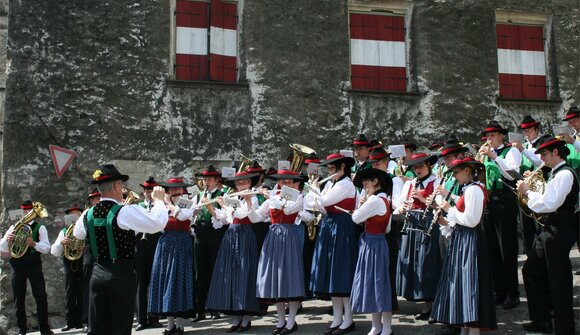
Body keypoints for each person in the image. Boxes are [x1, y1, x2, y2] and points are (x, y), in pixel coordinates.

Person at [72, 164, 168, 335]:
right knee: (120, 327)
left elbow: (78, 235)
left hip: (97, 274)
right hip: (121, 275)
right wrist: (159, 201)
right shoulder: (125, 212)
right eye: (121, 184)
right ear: (116, 186)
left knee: (98, 328)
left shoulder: (87, 214)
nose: (123, 188)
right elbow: (157, 223)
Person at [516, 137, 579, 334]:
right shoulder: (554, 173)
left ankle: (564, 328)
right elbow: (547, 196)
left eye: (544, 154)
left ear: (555, 153)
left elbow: (550, 203)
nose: (542, 158)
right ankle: (541, 320)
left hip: (560, 229)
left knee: (559, 279)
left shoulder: (565, 174)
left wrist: (528, 192)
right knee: (532, 271)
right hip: (548, 228)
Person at [430, 157, 497, 335]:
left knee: (470, 287)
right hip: (463, 240)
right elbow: (463, 210)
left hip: (471, 242)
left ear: (467, 170)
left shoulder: (475, 189)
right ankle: (464, 330)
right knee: (463, 286)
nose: (455, 176)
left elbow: (471, 220)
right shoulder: (469, 189)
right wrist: (446, 220)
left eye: (457, 172)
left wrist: (447, 208)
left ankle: (472, 331)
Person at [250, 169, 306, 335]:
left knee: (290, 278)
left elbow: (288, 210)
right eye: (283, 181)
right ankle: (281, 320)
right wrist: (248, 202)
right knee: (277, 281)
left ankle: (291, 321)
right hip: (273, 238)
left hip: (289, 236)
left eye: (290, 181)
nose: (286, 184)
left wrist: (271, 197)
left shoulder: (298, 196)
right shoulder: (274, 196)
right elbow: (256, 218)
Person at [206, 171, 263, 332]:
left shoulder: (253, 198)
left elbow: (246, 215)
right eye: (238, 184)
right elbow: (224, 219)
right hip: (231, 236)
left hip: (245, 236)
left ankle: (246, 318)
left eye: (244, 183)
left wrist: (225, 205)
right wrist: (212, 208)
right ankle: (236, 317)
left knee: (244, 273)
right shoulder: (234, 198)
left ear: (250, 184)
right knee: (231, 274)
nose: (241, 186)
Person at [310, 153, 358, 335]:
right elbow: (320, 206)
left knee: (341, 271)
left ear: (342, 167)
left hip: (342, 226)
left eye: (332, 168)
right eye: (328, 169)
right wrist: (315, 194)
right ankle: (337, 318)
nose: (329, 172)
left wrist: (314, 189)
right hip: (330, 225)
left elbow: (325, 201)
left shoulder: (346, 184)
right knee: (331, 272)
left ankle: (349, 319)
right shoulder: (331, 183)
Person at [478, 120, 522, 309]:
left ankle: (513, 293)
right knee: (493, 250)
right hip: (489, 204)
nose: (490, 139)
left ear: (501, 136)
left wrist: (494, 156)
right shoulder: (487, 155)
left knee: (508, 249)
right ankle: (499, 290)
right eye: (488, 137)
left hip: (505, 203)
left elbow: (512, 174)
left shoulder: (510, 152)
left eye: (493, 136)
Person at [395, 153, 442, 320]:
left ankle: (435, 305)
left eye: (420, 166)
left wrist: (422, 198)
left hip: (428, 223)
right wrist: (402, 207)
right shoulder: (411, 183)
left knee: (428, 263)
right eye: (415, 167)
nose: (418, 170)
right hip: (412, 222)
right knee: (415, 264)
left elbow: (439, 205)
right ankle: (426, 305)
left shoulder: (436, 181)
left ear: (428, 165)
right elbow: (400, 202)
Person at [148, 177, 195, 335]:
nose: (175, 191)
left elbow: (182, 216)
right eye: (172, 189)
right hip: (166, 244)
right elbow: (155, 223)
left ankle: (180, 324)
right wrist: (160, 204)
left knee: (179, 280)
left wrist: (168, 203)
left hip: (182, 242)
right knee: (165, 279)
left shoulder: (188, 202)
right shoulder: (161, 205)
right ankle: (170, 324)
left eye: (178, 189)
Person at [350, 168, 394, 335]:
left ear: (376, 182)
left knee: (378, 284)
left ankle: (383, 327)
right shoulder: (385, 200)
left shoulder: (374, 200)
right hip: (379, 242)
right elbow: (388, 228)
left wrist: (363, 204)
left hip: (372, 244)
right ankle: (378, 326)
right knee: (378, 284)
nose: (364, 187)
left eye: (366, 183)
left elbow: (355, 218)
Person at [0, 200, 53, 335]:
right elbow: (2, 248)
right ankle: (21, 329)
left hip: (33, 263)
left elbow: (46, 248)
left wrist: (33, 243)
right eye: (24, 211)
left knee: (40, 295)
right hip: (17, 265)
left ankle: (44, 328)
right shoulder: (14, 227)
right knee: (19, 297)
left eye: (29, 211)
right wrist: (8, 240)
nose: (26, 214)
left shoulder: (39, 228)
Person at [191, 166, 226, 322]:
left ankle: (214, 308)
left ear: (216, 181)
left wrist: (210, 207)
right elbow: (190, 215)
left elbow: (223, 219)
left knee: (213, 271)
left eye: (209, 180)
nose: (206, 183)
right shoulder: (197, 196)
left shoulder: (221, 196)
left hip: (215, 236)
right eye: (204, 180)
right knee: (200, 274)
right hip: (200, 236)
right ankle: (199, 310)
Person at [133, 176, 163, 331]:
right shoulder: (137, 206)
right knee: (141, 283)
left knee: (155, 282)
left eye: (151, 190)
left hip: (156, 244)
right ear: (143, 192)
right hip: (140, 246)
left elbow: (163, 225)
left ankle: (154, 317)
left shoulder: (161, 206)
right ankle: (141, 319)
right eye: (146, 190)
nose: (149, 193)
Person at [51, 204, 85, 332]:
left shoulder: (84, 231)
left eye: (76, 214)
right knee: (70, 292)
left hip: (82, 263)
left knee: (83, 291)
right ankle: (69, 321)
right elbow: (54, 252)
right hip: (69, 265)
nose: (74, 217)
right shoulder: (64, 232)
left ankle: (83, 320)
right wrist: (61, 242)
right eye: (71, 214)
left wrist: (84, 248)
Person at [82, 188, 101, 333]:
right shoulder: (86, 214)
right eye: (95, 199)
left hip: (104, 254)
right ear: (91, 201)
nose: (98, 201)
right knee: (89, 288)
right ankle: (88, 322)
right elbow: (78, 233)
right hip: (91, 253)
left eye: (99, 198)